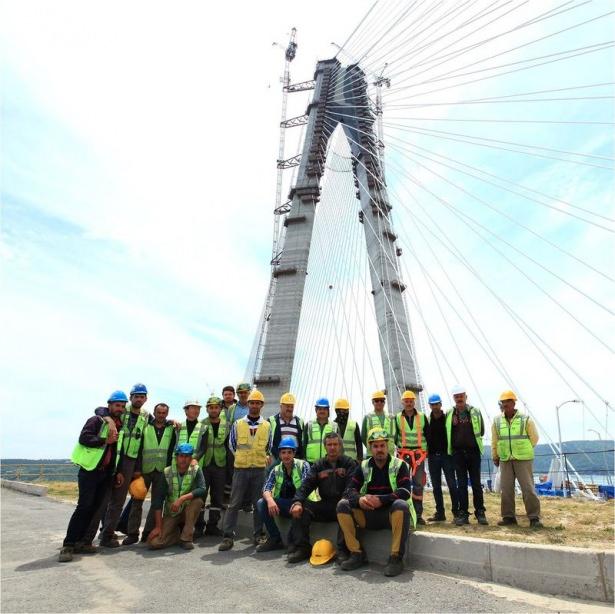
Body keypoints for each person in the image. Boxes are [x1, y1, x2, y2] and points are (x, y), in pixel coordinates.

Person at [337, 429, 415, 576]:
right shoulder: (363, 466)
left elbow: (405, 491)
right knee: (343, 505)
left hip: (390, 517)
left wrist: (381, 500)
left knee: (401, 505)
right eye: (376, 446)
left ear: (388, 446)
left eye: (382, 446)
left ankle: (396, 558)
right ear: (370, 448)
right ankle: (356, 553)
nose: (379, 450)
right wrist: (360, 499)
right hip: (368, 515)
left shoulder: (400, 465)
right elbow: (349, 491)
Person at [59, 390, 126, 562]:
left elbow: (116, 451)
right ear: (109, 405)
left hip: (106, 474)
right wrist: (104, 441)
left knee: (95, 508)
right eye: (117, 405)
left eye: (122, 406)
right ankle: (68, 545)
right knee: (83, 507)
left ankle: (82, 543)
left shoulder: (119, 426)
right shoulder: (96, 421)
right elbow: (84, 438)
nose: (120, 408)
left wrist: (117, 471)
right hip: (90, 471)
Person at [288, 432, 356, 564]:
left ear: (340, 446)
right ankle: (302, 548)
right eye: (329, 444)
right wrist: (297, 502)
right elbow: (306, 485)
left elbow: (352, 486)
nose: (332, 448)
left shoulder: (349, 463)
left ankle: (343, 551)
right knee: (302, 507)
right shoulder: (318, 465)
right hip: (325, 505)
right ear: (325, 447)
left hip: (342, 504)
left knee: (346, 507)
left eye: (335, 444)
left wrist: (345, 499)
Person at [98, 383, 150, 547]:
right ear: (131, 397)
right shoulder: (122, 409)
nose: (139, 399)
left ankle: (107, 532)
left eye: (142, 396)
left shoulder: (146, 416)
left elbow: (155, 426)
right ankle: (105, 533)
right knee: (107, 499)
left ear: (146, 399)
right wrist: (109, 420)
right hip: (115, 457)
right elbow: (100, 410)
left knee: (118, 501)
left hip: (131, 461)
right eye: (136, 396)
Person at [219, 389, 272, 551]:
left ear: (262, 405)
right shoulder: (238, 424)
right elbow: (232, 445)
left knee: (258, 504)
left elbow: (268, 447)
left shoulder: (267, 426)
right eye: (252, 403)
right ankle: (228, 537)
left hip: (259, 469)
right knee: (234, 503)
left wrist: (258, 458)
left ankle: (258, 534)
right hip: (241, 469)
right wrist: (244, 458)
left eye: (258, 403)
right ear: (248, 404)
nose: (254, 406)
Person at [123, 402, 176, 544]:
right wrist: (137, 469)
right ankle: (132, 534)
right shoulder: (146, 426)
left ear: (167, 414)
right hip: (144, 470)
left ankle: (147, 533)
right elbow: (138, 448)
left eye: (164, 413)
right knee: (136, 502)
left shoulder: (171, 428)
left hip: (161, 471)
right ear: (154, 412)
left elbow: (171, 450)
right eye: (159, 412)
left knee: (156, 504)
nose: (161, 415)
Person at [492, 390, 543, 528]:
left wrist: (523, 449)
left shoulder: (525, 420)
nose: (505, 405)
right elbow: (495, 440)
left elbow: (534, 438)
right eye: (503, 403)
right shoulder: (497, 421)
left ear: (513, 403)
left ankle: (534, 517)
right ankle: (508, 517)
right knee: (506, 489)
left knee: (528, 488)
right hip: (505, 459)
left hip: (523, 459)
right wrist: (495, 455)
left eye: (507, 402)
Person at [256, 437, 310, 552]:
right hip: (285, 504)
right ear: (279, 454)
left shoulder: (303, 465)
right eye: (283, 452)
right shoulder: (276, 469)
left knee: (301, 507)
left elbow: (306, 488)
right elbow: (266, 488)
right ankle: (275, 539)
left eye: (289, 452)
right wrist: (270, 501)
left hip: (301, 504)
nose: (286, 456)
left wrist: (297, 503)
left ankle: (293, 541)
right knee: (262, 503)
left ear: (294, 453)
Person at [148, 443, 206, 550]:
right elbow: (158, 501)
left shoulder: (196, 470)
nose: (183, 459)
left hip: (188, 509)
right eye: (181, 456)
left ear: (191, 458)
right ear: (176, 457)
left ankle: (186, 538)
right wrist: (158, 527)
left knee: (197, 501)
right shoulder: (167, 472)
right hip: (172, 511)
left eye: (187, 456)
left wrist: (182, 499)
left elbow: (202, 489)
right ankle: (176, 536)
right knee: (154, 543)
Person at [446, 385, 488, 526]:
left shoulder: (475, 411)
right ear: (454, 398)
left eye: (461, 396)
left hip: (473, 452)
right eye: (456, 396)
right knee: (462, 485)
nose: (459, 398)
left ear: (466, 396)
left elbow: (481, 430)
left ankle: (480, 512)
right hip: (457, 454)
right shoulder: (450, 414)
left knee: (476, 484)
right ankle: (463, 513)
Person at [195, 396, 229, 536]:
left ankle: (212, 525)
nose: (214, 410)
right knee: (201, 495)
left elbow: (229, 446)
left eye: (216, 407)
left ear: (220, 409)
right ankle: (198, 526)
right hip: (205, 464)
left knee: (217, 497)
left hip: (220, 464)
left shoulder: (227, 425)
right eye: (211, 407)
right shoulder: (201, 424)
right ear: (207, 408)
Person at [395, 390, 429, 525]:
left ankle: (418, 514)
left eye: (411, 401)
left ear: (414, 402)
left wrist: (427, 451)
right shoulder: (397, 418)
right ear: (402, 402)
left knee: (418, 484)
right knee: (402, 483)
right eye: (406, 401)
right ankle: (404, 513)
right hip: (403, 455)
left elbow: (428, 434)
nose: (408, 403)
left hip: (419, 455)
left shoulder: (422, 417)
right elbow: (394, 435)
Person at [425, 394, 459, 522]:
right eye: (432, 404)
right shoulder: (427, 420)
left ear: (441, 404)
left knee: (452, 484)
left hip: (447, 456)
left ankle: (456, 512)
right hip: (433, 457)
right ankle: (440, 513)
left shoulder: (447, 419)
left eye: (436, 404)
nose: (435, 406)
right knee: (436, 486)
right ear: (430, 405)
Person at [269, 393, 304, 462]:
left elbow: (302, 442)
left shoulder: (300, 421)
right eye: (287, 406)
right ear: (281, 406)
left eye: (292, 406)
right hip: (277, 458)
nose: (290, 409)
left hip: (295, 459)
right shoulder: (271, 421)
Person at [361, 390, 396, 458]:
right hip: (372, 456)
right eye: (377, 401)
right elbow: (363, 436)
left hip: (390, 455)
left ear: (384, 402)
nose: (379, 402)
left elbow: (396, 436)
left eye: (382, 400)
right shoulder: (368, 418)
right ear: (372, 402)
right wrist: (373, 448)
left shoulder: (392, 418)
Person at [303, 398, 339, 463]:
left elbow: (339, 446)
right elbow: (304, 444)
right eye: (320, 409)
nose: (322, 411)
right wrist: (304, 460)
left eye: (324, 409)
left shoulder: (334, 426)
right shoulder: (309, 425)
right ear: (316, 410)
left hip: (329, 463)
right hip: (311, 463)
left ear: (328, 411)